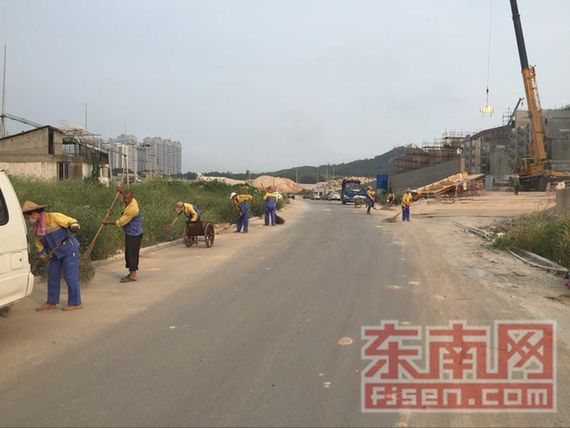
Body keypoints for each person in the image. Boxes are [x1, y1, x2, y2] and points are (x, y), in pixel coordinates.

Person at [22, 200, 83, 311]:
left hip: (69, 249)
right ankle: (51, 302)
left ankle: (75, 303)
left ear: (35, 213)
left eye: (28, 216)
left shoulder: (54, 217)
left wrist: (74, 226)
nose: (28, 219)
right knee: (52, 277)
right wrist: (42, 255)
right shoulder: (36, 228)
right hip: (54, 253)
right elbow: (39, 245)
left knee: (70, 276)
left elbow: (72, 221)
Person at [102, 187, 143, 282]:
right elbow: (126, 193)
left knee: (132, 254)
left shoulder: (132, 209)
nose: (126, 200)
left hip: (134, 234)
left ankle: (133, 275)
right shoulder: (133, 201)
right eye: (125, 198)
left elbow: (120, 222)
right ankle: (132, 273)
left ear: (132, 198)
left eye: (128, 199)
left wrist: (107, 223)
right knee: (129, 253)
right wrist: (122, 191)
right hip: (131, 232)